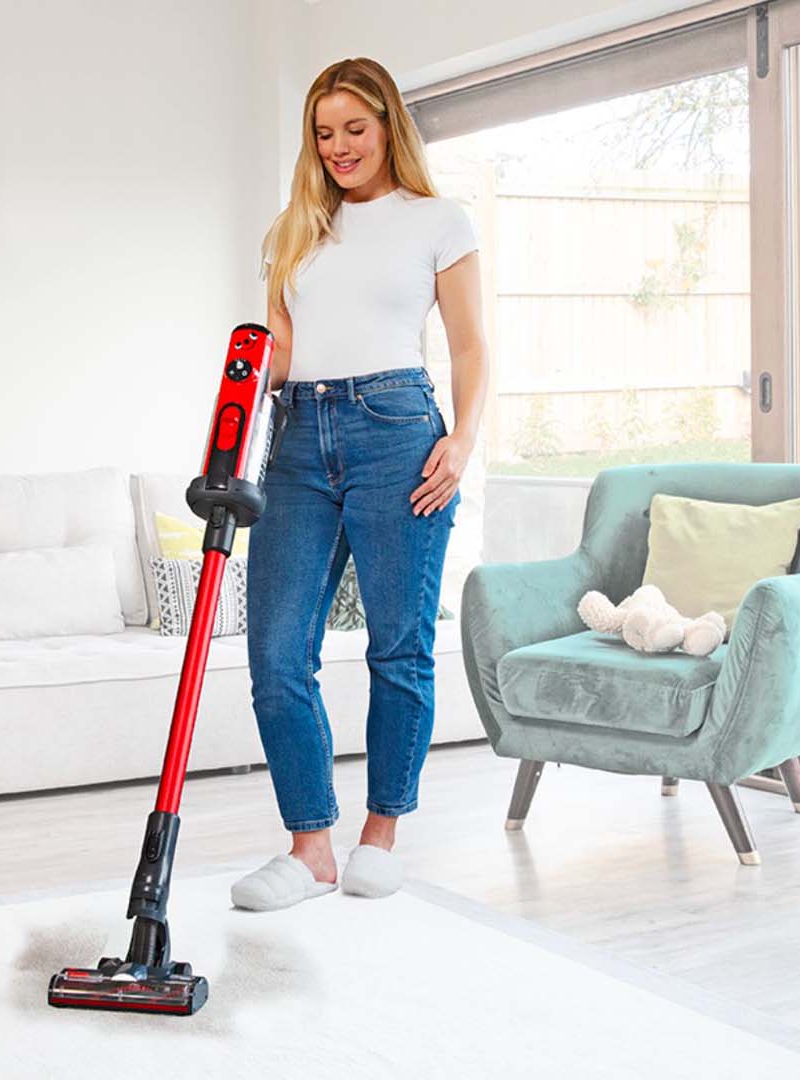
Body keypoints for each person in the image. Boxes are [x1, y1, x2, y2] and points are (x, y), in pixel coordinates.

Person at [230, 57, 490, 911]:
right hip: (298, 437)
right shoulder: (294, 229)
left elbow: (470, 346)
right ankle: (311, 849)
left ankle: (381, 832)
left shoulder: (438, 221)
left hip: (398, 433)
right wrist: (239, 379)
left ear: (388, 127)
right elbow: (282, 349)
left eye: (354, 127)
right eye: (323, 131)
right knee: (275, 652)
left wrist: (462, 441)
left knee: (398, 644)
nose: (338, 146)